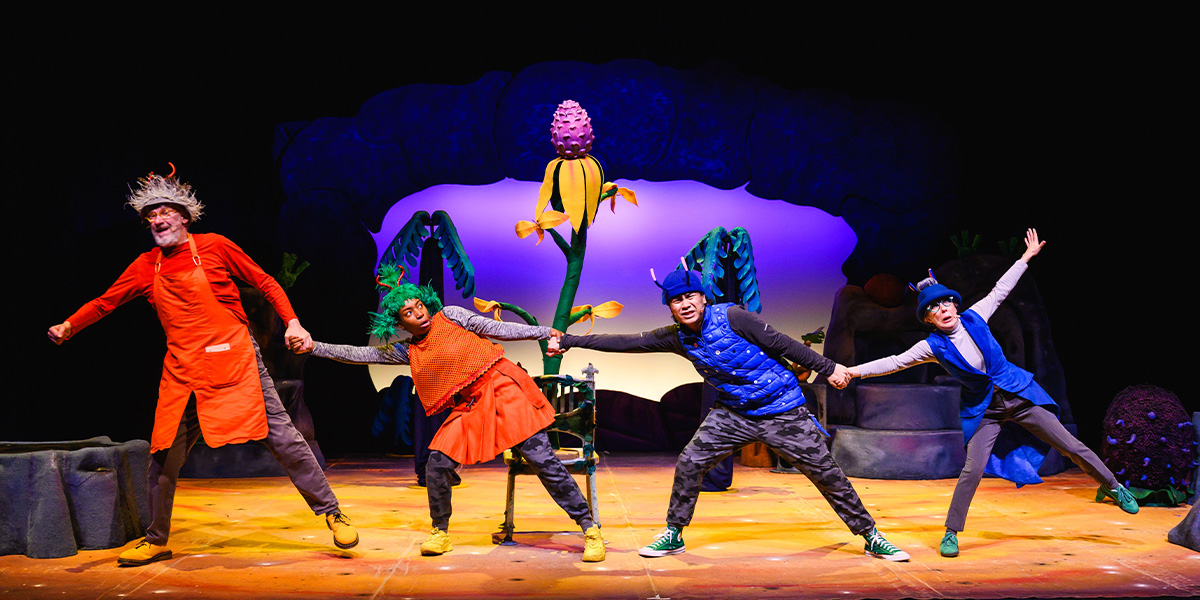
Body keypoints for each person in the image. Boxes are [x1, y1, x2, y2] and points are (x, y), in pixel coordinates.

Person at [47, 165, 358, 566]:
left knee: (284, 438)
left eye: (164, 212)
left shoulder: (214, 246)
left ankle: (333, 514)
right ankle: (157, 539)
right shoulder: (146, 265)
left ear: (184, 217)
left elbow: (265, 282)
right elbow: (107, 301)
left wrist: (293, 321)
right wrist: (71, 325)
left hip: (236, 362)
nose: (157, 220)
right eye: (150, 216)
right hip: (183, 370)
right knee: (162, 453)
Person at [547, 268, 909, 561]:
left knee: (826, 473)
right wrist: (570, 340)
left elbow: (781, 343)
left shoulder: (734, 316)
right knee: (690, 461)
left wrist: (828, 367)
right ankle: (673, 534)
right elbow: (628, 342)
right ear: (670, 307)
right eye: (676, 300)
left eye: (690, 296)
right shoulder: (677, 337)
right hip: (734, 412)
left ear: (703, 297)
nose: (685, 304)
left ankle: (871, 536)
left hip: (781, 409)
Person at [845, 228, 1138, 558]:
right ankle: (951, 532)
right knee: (972, 470)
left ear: (955, 305)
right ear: (928, 318)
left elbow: (1001, 290)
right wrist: (854, 371)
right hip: (985, 409)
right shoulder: (933, 346)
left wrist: (1025, 258)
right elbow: (894, 362)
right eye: (934, 307)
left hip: (1018, 394)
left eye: (946, 302)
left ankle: (1113, 486)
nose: (943, 308)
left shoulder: (976, 316)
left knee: (1070, 445)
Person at [303, 267, 605, 562]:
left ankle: (590, 530)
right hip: (471, 403)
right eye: (408, 313)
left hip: (502, 387)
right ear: (399, 323)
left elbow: (496, 328)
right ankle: (440, 532)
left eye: (418, 306)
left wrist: (543, 332)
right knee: (436, 462)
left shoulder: (451, 316)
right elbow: (360, 354)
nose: (418, 313)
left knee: (542, 460)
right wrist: (314, 347)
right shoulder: (407, 350)